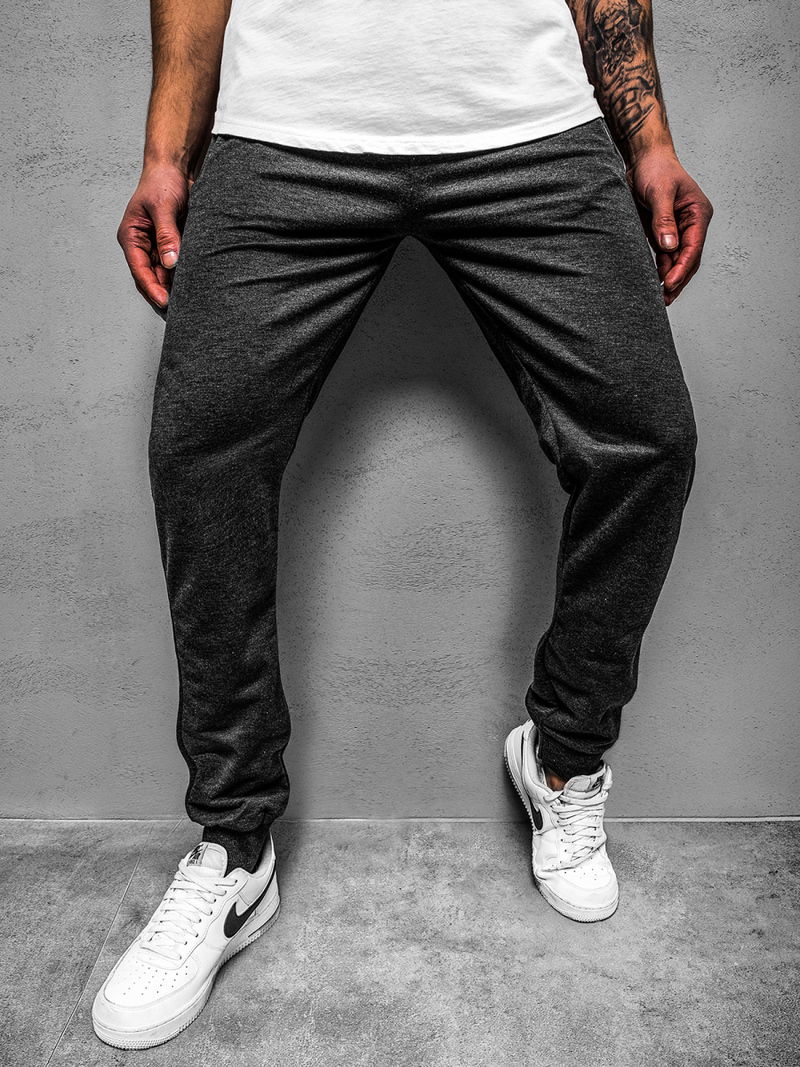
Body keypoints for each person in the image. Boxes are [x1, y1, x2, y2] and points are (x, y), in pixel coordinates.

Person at [92, 0, 712, 1049]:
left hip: (531, 128)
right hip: (281, 131)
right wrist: (164, 152)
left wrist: (646, 138)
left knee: (644, 440)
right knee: (202, 455)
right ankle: (234, 848)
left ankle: (562, 755)